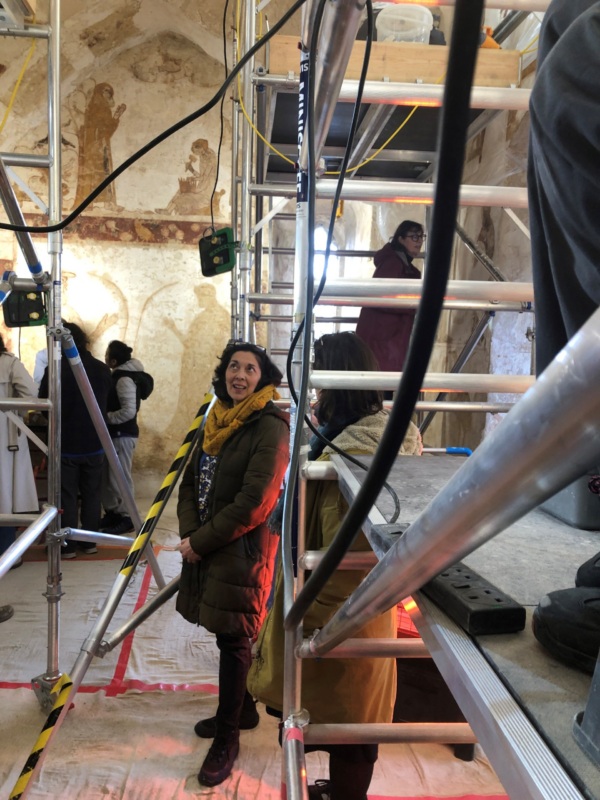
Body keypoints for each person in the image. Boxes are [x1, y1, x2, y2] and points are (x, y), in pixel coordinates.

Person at [248, 332, 422, 800]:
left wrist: (302, 625)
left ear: (339, 386)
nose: (311, 396)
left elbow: (346, 565)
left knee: (345, 735)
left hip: (336, 623)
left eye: (318, 385)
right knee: (343, 728)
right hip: (339, 616)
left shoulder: (353, 454)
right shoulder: (342, 439)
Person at [176, 342, 290, 787]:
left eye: (250, 369)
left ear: (263, 377)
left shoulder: (270, 427)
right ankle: (241, 711)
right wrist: (191, 533)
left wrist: (200, 543)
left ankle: (228, 738)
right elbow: (190, 481)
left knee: (235, 638)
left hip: (244, 547)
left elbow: (255, 503)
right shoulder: (215, 417)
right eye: (233, 367)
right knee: (225, 631)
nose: (239, 375)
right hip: (208, 541)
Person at [39, 322, 112, 558]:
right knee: (92, 495)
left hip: (66, 443)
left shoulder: (56, 370)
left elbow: (44, 405)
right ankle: (90, 542)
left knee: (67, 496)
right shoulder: (102, 369)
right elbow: (107, 405)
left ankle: (68, 546)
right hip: (95, 443)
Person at [356, 220, 424, 396]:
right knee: (379, 397)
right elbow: (382, 296)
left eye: (421, 237)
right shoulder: (393, 263)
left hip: (388, 343)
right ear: (401, 239)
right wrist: (413, 306)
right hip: (382, 343)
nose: (419, 241)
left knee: (382, 397)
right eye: (414, 236)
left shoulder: (404, 266)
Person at [0, 333, 39, 622]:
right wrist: (13, 412)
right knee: (5, 497)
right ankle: (8, 556)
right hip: (3, 435)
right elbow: (32, 394)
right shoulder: (8, 363)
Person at [100, 340, 153, 536]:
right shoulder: (119, 376)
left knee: (119, 477)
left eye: (107, 355)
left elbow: (129, 411)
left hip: (122, 435)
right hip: (115, 434)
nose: (104, 358)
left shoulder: (124, 379)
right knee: (108, 478)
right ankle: (113, 513)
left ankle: (127, 518)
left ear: (114, 360)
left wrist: (105, 419)